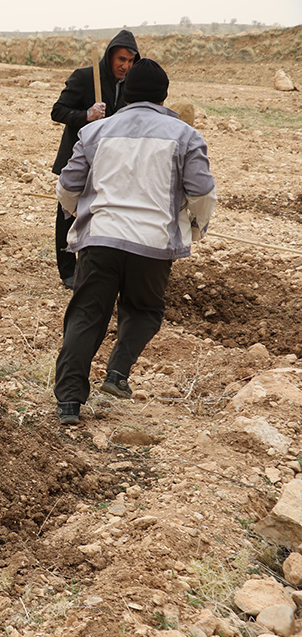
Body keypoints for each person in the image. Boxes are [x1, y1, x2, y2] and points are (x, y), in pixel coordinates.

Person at [53, 59, 217, 426]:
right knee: (144, 310)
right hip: (153, 245)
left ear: (125, 93)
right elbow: (202, 192)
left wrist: (75, 213)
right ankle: (117, 373)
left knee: (85, 315)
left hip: (100, 242)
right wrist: (197, 225)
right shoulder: (185, 135)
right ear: (163, 97)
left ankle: (68, 403)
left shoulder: (96, 132)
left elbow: (67, 187)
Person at [50, 30, 140, 289]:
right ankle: (68, 270)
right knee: (67, 213)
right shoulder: (85, 77)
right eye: (121, 59)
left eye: (131, 61)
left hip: (110, 163)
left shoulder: (131, 86)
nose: (125, 66)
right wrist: (86, 115)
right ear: (111, 56)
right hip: (78, 159)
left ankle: (97, 267)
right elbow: (58, 111)